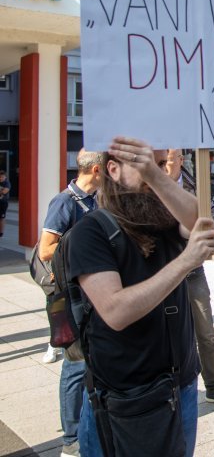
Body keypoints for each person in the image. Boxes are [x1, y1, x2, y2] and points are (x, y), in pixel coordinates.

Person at [69, 137, 214, 457]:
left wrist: (152, 172)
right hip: (127, 398)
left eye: (162, 165)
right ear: (113, 169)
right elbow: (115, 311)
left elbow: (200, 219)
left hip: (181, 388)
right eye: (141, 163)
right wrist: (184, 262)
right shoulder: (90, 232)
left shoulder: (163, 221)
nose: (157, 173)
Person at [165, 149, 214, 409]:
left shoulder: (193, 184)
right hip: (162, 272)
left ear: (180, 159)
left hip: (193, 272)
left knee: (206, 334)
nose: (164, 164)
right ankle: (171, 387)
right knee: (167, 335)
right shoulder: (148, 186)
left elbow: (205, 219)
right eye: (161, 159)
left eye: (169, 158)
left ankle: (213, 386)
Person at [37, 149, 102, 456]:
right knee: (74, 365)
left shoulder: (96, 201)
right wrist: (87, 243)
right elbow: (45, 250)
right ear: (99, 170)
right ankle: (70, 440)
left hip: (93, 294)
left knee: (89, 361)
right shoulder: (64, 201)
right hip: (72, 297)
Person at [0, 169, 9, 237]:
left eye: (2, 177)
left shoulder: (7, 183)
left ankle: (1, 233)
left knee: (2, 217)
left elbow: (5, 191)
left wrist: (2, 191)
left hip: (3, 203)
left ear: (5, 177)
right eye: (0, 177)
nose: (1, 178)